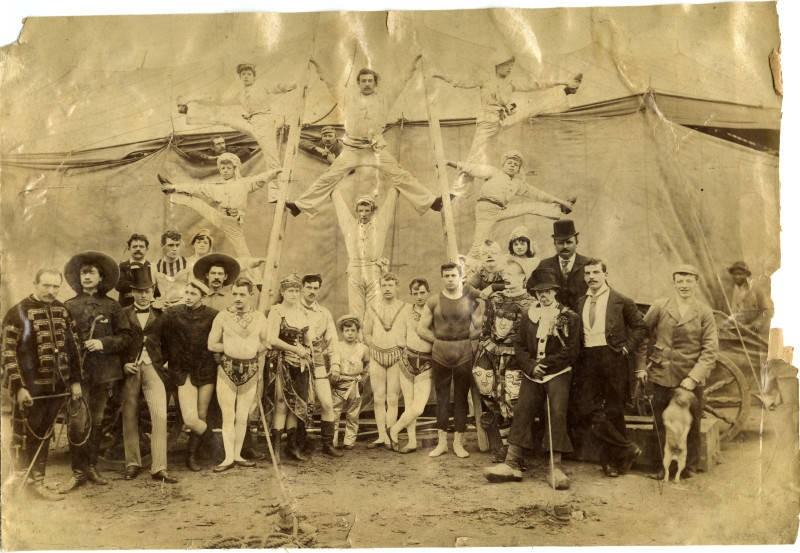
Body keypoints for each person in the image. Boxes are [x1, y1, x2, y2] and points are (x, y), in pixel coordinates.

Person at [286, 63, 442, 218]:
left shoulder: (385, 99)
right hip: (352, 149)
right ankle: (300, 206)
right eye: (363, 81)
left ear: (375, 83)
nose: (367, 84)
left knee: (401, 175)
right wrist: (317, 65)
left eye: (370, 81)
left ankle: (431, 202)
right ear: (358, 83)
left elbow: (401, 81)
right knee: (329, 177)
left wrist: (414, 63)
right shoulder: (347, 98)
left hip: (375, 149)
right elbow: (330, 82)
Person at [484, 269, 580, 489]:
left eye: (547, 291)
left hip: (557, 372)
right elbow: (519, 346)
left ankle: (555, 467)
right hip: (532, 373)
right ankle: (511, 463)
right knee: (522, 410)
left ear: (555, 292)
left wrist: (545, 366)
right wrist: (531, 366)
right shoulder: (529, 315)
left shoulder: (569, 317)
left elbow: (571, 351)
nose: (543, 296)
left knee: (556, 412)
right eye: (539, 292)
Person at [433, 54, 581, 194]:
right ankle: (455, 194)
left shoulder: (511, 83)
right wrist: (439, 74)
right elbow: (461, 81)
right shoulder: (485, 80)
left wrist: (561, 81)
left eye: (511, 65)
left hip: (505, 118)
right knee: (474, 158)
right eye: (507, 65)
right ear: (497, 65)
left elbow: (536, 84)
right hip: (487, 123)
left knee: (533, 106)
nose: (510, 68)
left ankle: (566, 90)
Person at [1, 269, 82, 500]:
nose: (51, 291)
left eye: (55, 286)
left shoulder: (63, 311)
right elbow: (7, 353)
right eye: (46, 285)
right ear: (35, 283)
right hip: (30, 389)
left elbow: (74, 348)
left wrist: (75, 381)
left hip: (57, 388)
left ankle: (37, 482)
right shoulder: (17, 313)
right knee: (25, 434)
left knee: (44, 433)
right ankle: (21, 483)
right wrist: (19, 387)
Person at [638, 264, 718, 480]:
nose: (684, 285)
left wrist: (693, 378)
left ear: (696, 283)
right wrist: (641, 366)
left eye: (688, 281)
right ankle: (659, 466)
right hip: (661, 373)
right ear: (673, 284)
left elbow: (710, 350)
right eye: (680, 281)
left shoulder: (704, 312)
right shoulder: (660, 306)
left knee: (691, 423)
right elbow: (642, 336)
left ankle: (688, 467)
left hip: (689, 377)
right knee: (659, 422)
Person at [61, 252, 132, 492]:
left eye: (92, 273)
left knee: (98, 420)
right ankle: (78, 472)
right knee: (77, 422)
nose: (87, 277)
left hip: (103, 373)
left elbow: (126, 337)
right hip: (77, 375)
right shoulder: (68, 306)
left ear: (101, 278)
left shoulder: (112, 306)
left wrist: (103, 343)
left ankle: (91, 466)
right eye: (83, 273)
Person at [576, 258, 647, 477]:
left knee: (614, 410)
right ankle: (627, 448)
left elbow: (640, 327)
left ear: (605, 274)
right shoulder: (580, 302)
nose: (591, 277)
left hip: (613, 357)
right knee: (587, 409)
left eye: (596, 272)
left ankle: (613, 462)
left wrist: (626, 348)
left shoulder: (621, 301)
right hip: (588, 359)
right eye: (588, 273)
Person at [148, 279, 218, 472]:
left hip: (206, 370)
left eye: (193, 294)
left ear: (203, 297)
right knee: (190, 419)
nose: (188, 296)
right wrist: (159, 361)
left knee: (202, 414)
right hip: (183, 371)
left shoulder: (213, 315)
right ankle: (214, 441)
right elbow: (154, 335)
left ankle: (191, 456)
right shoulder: (172, 313)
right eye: (186, 292)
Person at [445, 151, 574, 257]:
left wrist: (561, 201)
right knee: (478, 245)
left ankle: (560, 208)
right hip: (486, 210)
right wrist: (448, 162)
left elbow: (538, 194)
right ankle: (466, 270)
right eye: (509, 163)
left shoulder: (518, 184)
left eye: (516, 165)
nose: (512, 166)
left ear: (518, 169)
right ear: (503, 165)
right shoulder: (494, 172)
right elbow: (472, 168)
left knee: (529, 206)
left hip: (501, 209)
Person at [177, 62, 296, 173]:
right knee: (223, 117)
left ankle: (276, 178)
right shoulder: (241, 94)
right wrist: (194, 100)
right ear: (240, 77)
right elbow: (219, 101)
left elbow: (278, 87)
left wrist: (294, 85)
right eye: (243, 74)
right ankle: (190, 111)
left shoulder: (262, 86)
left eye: (249, 74)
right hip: (250, 122)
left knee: (270, 154)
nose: (246, 76)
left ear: (254, 77)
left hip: (264, 121)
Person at [159, 153, 282, 259]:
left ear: (235, 169)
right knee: (197, 203)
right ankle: (171, 190)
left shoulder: (244, 183)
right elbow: (196, 188)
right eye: (222, 168)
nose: (225, 170)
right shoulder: (217, 187)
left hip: (233, 222)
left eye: (228, 168)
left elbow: (260, 178)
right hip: (219, 216)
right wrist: (174, 187)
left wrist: (276, 172)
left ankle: (255, 277)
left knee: (242, 251)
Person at [417, 262, 482, 459]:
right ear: (442, 278)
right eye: (447, 276)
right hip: (440, 353)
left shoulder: (470, 301)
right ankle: (442, 443)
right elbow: (421, 328)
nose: (450, 279)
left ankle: (458, 443)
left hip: (463, 352)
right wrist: (437, 340)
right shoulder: (433, 301)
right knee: (442, 398)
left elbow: (479, 327)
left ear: (460, 277)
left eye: (453, 275)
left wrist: (465, 338)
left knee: (461, 397)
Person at [472, 258, 535, 462]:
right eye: (504, 275)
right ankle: (503, 447)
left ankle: (516, 452)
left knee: (513, 400)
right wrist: (486, 347)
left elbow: (530, 337)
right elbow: (486, 327)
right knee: (492, 396)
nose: (506, 278)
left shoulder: (531, 304)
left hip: (516, 358)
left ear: (522, 277)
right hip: (492, 354)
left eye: (511, 274)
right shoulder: (495, 299)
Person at [119, 266, 176, 483]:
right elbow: (118, 343)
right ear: (132, 292)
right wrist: (124, 364)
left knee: (160, 416)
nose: (143, 295)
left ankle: (159, 467)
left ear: (153, 292)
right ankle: (132, 463)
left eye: (147, 291)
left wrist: (162, 363)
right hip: (131, 369)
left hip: (154, 368)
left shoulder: (162, 315)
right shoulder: (123, 313)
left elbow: (169, 343)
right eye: (139, 291)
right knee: (129, 415)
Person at [207, 278, 269, 472]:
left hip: (250, 371)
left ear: (251, 294)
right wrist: (231, 347)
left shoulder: (259, 317)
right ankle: (227, 458)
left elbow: (266, 342)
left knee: (242, 416)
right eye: (234, 294)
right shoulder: (223, 316)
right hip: (227, 370)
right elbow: (211, 344)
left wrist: (253, 349)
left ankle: (238, 455)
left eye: (242, 294)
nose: (238, 298)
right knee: (228, 415)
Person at [331, 187, 400, 321]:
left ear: (373, 211)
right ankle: (358, 335)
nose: (363, 214)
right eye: (360, 210)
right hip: (355, 270)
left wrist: (396, 185)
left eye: (367, 210)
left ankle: (372, 335)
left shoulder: (380, 225)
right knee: (355, 311)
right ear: (356, 211)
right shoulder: (349, 225)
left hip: (373, 270)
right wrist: (332, 186)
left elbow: (390, 203)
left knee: (374, 311)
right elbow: (339, 203)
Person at [266, 274, 313, 462]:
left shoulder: (303, 312)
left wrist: (306, 350)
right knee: (281, 404)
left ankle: (292, 447)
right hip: (281, 361)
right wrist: (294, 349)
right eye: (290, 291)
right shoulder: (276, 311)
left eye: (296, 291)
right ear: (283, 292)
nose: (294, 294)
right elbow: (271, 339)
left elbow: (307, 339)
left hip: (300, 365)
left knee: (296, 406)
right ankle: (276, 449)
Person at [388, 277, 434, 454]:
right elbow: (399, 338)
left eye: (422, 292)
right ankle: (412, 442)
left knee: (418, 407)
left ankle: (394, 429)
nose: (419, 296)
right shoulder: (405, 313)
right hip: (407, 361)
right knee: (409, 405)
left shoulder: (434, 312)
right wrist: (405, 352)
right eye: (415, 293)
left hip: (427, 362)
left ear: (428, 292)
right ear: (411, 294)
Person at [299, 273, 343, 457]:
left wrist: (335, 364)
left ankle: (327, 444)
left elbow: (332, 340)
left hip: (317, 361)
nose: (312, 291)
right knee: (300, 404)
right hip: (296, 361)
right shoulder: (293, 309)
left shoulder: (324, 313)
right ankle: (298, 443)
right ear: (302, 288)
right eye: (308, 287)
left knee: (326, 403)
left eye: (315, 288)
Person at [363, 273, 408, 449]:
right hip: (377, 356)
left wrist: (402, 347)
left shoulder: (405, 308)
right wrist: (373, 346)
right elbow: (366, 333)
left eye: (390, 285)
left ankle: (391, 436)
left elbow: (409, 331)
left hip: (396, 356)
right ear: (380, 287)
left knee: (393, 398)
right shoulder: (372, 307)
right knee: (378, 398)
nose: (387, 289)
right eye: (384, 285)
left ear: (397, 287)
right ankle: (381, 436)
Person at [532, 219, 592, 312]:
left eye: (569, 242)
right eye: (560, 243)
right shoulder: (544, 265)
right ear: (554, 244)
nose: (565, 246)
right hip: (552, 316)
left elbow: (601, 291)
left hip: (583, 316)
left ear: (576, 242)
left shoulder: (589, 263)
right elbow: (531, 289)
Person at [330, 315, 370, 450]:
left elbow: (367, 364)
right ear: (342, 332)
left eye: (353, 330)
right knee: (334, 412)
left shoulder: (363, 348)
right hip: (340, 383)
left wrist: (362, 378)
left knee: (353, 414)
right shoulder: (337, 346)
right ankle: (332, 441)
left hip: (355, 384)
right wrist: (335, 372)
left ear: (357, 331)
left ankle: (349, 441)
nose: (350, 333)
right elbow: (334, 361)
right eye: (347, 330)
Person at [720, 261, 773, 336]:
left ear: (746, 275)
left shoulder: (755, 289)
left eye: (740, 274)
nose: (737, 276)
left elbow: (767, 311)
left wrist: (757, 323)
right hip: (732, 331)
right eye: (734, 274)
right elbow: (723, 313)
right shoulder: (728, 292)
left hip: (751, 331)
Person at [116, 233, 158, 307]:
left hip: (148, 306)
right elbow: (119, 286)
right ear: (129, 248)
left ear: (147, 249)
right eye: (135, 246)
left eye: (141, 246)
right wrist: (142, 283)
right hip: (127, 305)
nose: (138, 249)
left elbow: (156, 291)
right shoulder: (123, 266)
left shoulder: (152, 267)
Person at [153, 230, 189, 307]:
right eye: (170, 245)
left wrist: (176, 304)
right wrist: (159, 303)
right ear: (162, 246)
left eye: (177, 245)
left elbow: (192, 292)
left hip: (184, 306)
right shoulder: (155, 266)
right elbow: (150, 293)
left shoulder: (188, 264)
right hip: (163, 306)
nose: (174, 249)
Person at [182, 135, 254, 165]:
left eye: (223, 143)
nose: (222, 146)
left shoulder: (229, 150)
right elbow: (191, 153)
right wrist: (209, 157)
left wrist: (230, 156)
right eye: (218, 144)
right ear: (212, 147)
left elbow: (246, 150)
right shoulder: (210, 153)